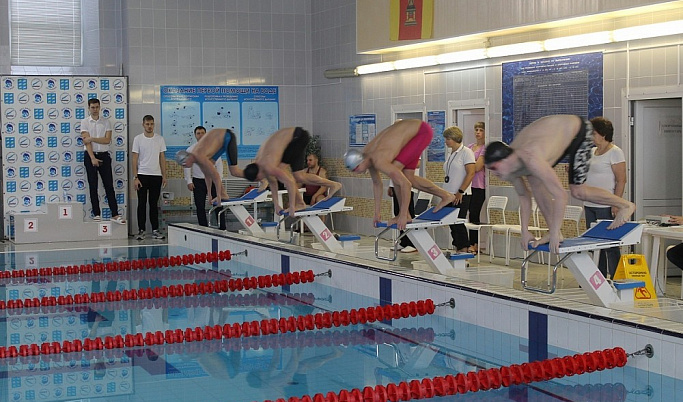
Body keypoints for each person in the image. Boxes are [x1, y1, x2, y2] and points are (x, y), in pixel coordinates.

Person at [484, 114, 635, 254]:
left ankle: (625, 205)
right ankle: (552, 231)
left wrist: (556, 231)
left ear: (504, 160)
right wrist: (525, 230)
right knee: (535, 184)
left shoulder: (531, 158)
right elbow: (524, 196)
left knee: (578, 191)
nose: (494, 173)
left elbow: (560, 195)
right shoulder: (510, 168)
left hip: (579, 130)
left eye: (494, 168)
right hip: (556, 136)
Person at [344, 119, 456, 230]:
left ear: (361, 162)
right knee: (407, 177)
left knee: (398, 175)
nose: (356, 172)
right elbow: (377, 183)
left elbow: (405, 185)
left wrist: (402, 215)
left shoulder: (379, 160)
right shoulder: (368, 156)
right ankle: (446, 196)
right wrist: (377, 213)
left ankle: (405, 214)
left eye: (356, 169)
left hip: (421, 132)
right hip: (413, 133)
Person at [242, 127, 342, 215]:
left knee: (289, 176)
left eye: (259, 179)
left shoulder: (268, 166)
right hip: (293, 139)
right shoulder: (260, 164)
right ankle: (332, 185)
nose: (261, 179)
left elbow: (288, 182)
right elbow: (273, 183)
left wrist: (292, 206)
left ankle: (299, 203)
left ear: (257, 175)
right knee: (299, 176)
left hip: (297, 138)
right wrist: (276, 205)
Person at [584, 117, 626, 278]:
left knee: (610, 244)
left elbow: (621, 180)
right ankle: (599, 278)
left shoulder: (615, 152)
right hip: (590, 204)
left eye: (592, 133)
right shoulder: (591, 152)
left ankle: (617, 278)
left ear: (602, 134)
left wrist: (617, 203)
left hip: (607, 205)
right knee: (594, 244)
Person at [80, 98, 125, 224]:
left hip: (104, 155)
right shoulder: (84, 122)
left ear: (100, 107)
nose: (95, 109)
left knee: (109, 186)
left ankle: (115, 214)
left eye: (97, 107)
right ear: (89, 108)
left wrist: (92, 138)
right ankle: (96, 213)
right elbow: (86, 141)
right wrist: (93, 158)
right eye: (92, 107)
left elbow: (107, 140)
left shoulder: (106, 122)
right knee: (93, 186)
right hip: (90, 156)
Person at [175, 128, 245, 205]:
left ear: (187, 159)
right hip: (222, 139)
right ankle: (224, 194)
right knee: (211, 166)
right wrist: (209, 194)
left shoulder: (199, 156)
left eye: (184, 165)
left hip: (228, 137)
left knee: (235, 172)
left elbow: (216, 176)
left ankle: (258, 176)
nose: (186, 167)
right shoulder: (195, 156)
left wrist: (218, 195)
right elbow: (207, 175)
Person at [132, 115, 167, 240]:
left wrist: (164, 175)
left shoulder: (160, 139)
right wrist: (135, 177)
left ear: (154, 125)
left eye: (151, 124)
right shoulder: (138, 139)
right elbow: (134, 158)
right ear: (143, 125)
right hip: (142, 175)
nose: (149, 126)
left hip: (156, 176)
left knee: (153, 204)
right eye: (147, 124)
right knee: (141, 203)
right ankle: (141, 230)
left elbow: (162, 158)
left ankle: (155, 230)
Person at [183, 126, 226, 229]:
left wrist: (219, 179)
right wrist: (189, 180)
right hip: (198, 181)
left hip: (213, 181)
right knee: (200, 206)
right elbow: (187, 165)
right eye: (198, 133)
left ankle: (223, 228)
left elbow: (219, 164)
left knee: (218, 205)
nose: (201, 135)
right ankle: (203, 228)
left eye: (203, 133)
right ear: (195, 135)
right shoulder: (191, 149)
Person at [443, 126, 475, 252]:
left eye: (448, 138)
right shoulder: (450, 154)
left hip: (462, 194)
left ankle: (464, 247)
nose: (446, 141)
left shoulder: (466, 152)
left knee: (458, 222)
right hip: (449, 194)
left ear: (455, 138)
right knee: (451, 222)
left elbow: (470, 173)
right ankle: (458, 246)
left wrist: (460, 191)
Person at [387, 158, 420, 253]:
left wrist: (401, 164)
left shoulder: (412, 147)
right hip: (396, 184)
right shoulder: (397, 147)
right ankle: (404, 241)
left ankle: (412, 243)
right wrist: (391, 186)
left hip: (406, 184)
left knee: (408, 214)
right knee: (398, 213)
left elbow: (417, 163)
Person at [467, 122, 486, 254]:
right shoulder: (469, 147)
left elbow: (478, 167)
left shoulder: (485, 148)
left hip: (479, 186)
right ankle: (469, 242)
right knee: (469, 214)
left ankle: (475, 243)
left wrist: (469, 167)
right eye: (476, 130)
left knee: (474, 214)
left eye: (481, 130)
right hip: (469, 185)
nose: (478, 132)